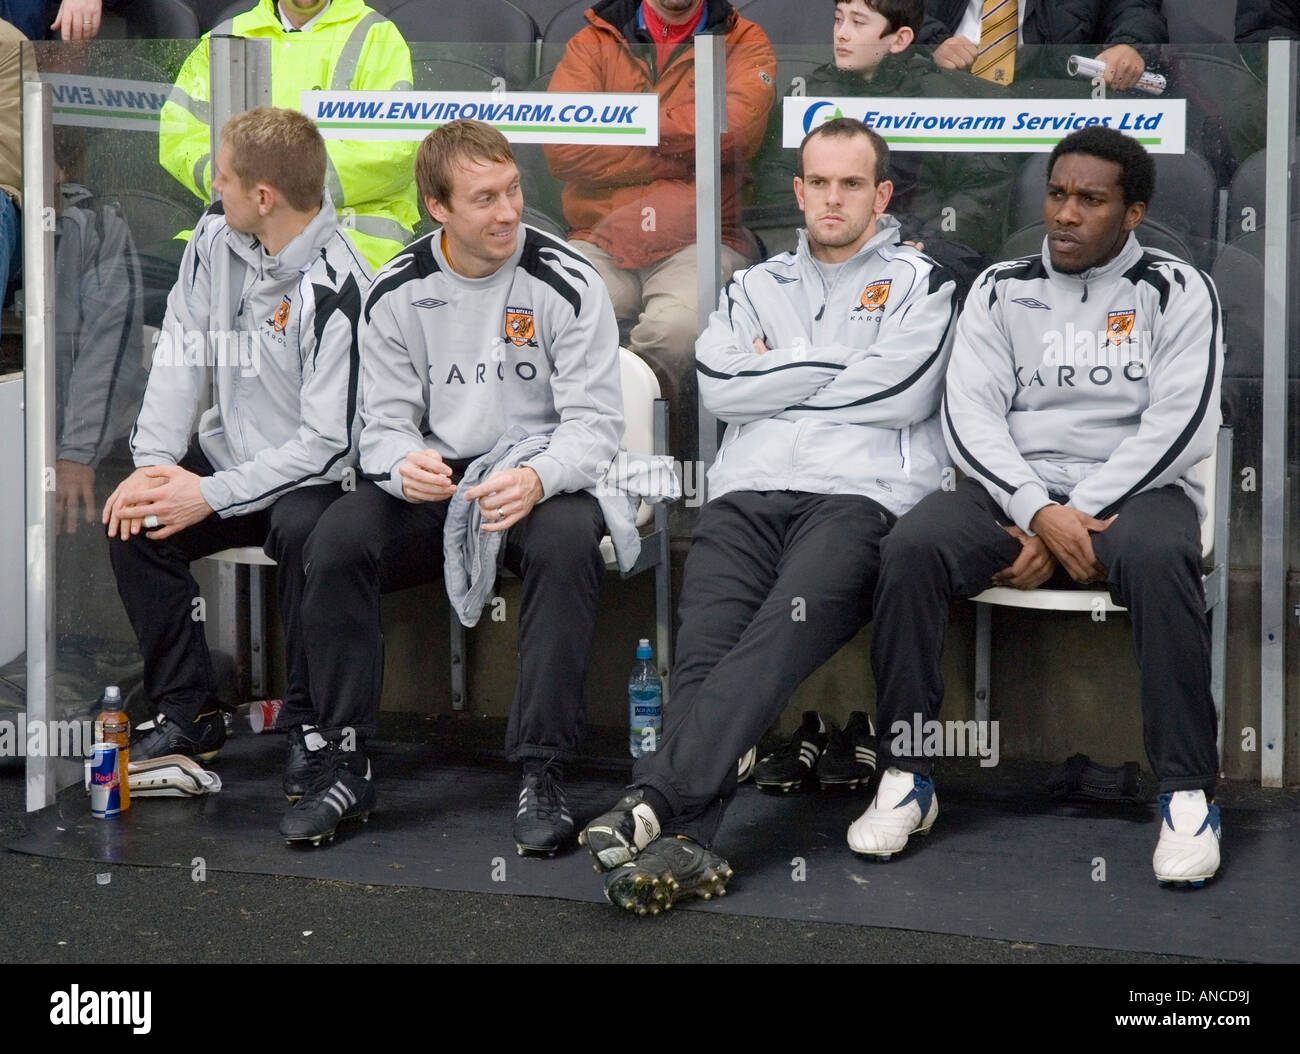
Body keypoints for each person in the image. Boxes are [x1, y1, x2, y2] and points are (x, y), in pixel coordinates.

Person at [579, 117, 958, 915]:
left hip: (857, 500)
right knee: (705, 655)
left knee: (771, 640)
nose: (832, 198)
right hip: (747, 493)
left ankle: (652, 799)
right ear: (798, 190)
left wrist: (777, 371)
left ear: (881, 194)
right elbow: (721, 385)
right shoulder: (754, 284)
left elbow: (902, 392)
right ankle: (684, 841)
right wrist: (844, 366)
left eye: (851, 183)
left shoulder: (923, 283)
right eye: (818, 182)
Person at [857, 126, 1224, 887]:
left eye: (1091, 200)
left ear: (1133, 213)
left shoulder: (1179, 289)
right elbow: (968, 415)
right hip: (1011, 489)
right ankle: (907, 775)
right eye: (1058, 195)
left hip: (1133, 493)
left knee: (1161, 559)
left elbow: (1181, 423)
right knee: (910, 548)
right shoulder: (999, 287)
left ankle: (1186, 792)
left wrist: (1071, 513)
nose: (1066, 214)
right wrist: (1032, 507)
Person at [288, 119, 623, 852]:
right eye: (483, 199)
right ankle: (344, 758)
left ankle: (543, 767)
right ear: (438, 208)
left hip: (538, 471)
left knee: (568, 542)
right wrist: (400, 461)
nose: (507, 212)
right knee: (337, 537)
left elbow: (596, 426)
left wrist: (536, 478)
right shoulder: (398, 290)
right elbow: (379, 425)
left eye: (511, 190)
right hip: (440, 479)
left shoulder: (567, 281)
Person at [104, 107, 371, 771]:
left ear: (264, 196)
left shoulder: (342, 287)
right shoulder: (214, 235)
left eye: (222, 178)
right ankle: (188, 713)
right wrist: (156, 466)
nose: (211, 188)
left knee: (306, 534)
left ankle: (311, 726)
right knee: (135, 524)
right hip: (228, 456)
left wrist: (210, 496)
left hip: (314, 478)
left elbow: (329, 447)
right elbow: (181, 349)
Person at [544, 0, 776, 461]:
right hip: (600, 233)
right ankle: (571, 452)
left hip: (702, 236)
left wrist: (626, 126)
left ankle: (635, 455)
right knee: (563, 315)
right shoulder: (594, 39)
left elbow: (733, 134)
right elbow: (564, 146)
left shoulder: (745, 40)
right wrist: (681, 143)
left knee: (675, 328)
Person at [158, 0, 417, 271]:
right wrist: (243, 188)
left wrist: (283, 188)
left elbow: (393, 150)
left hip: (349, 240)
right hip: (232, 236)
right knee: (130, 280)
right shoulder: (226, 35)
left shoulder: (375, 35)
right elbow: (180, 135)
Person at [917, 0, 1167, 92]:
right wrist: (933, 42)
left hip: (1049, 93)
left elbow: (1135, 9)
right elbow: (889, 12)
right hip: (943, 86)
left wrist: (1128, 44)